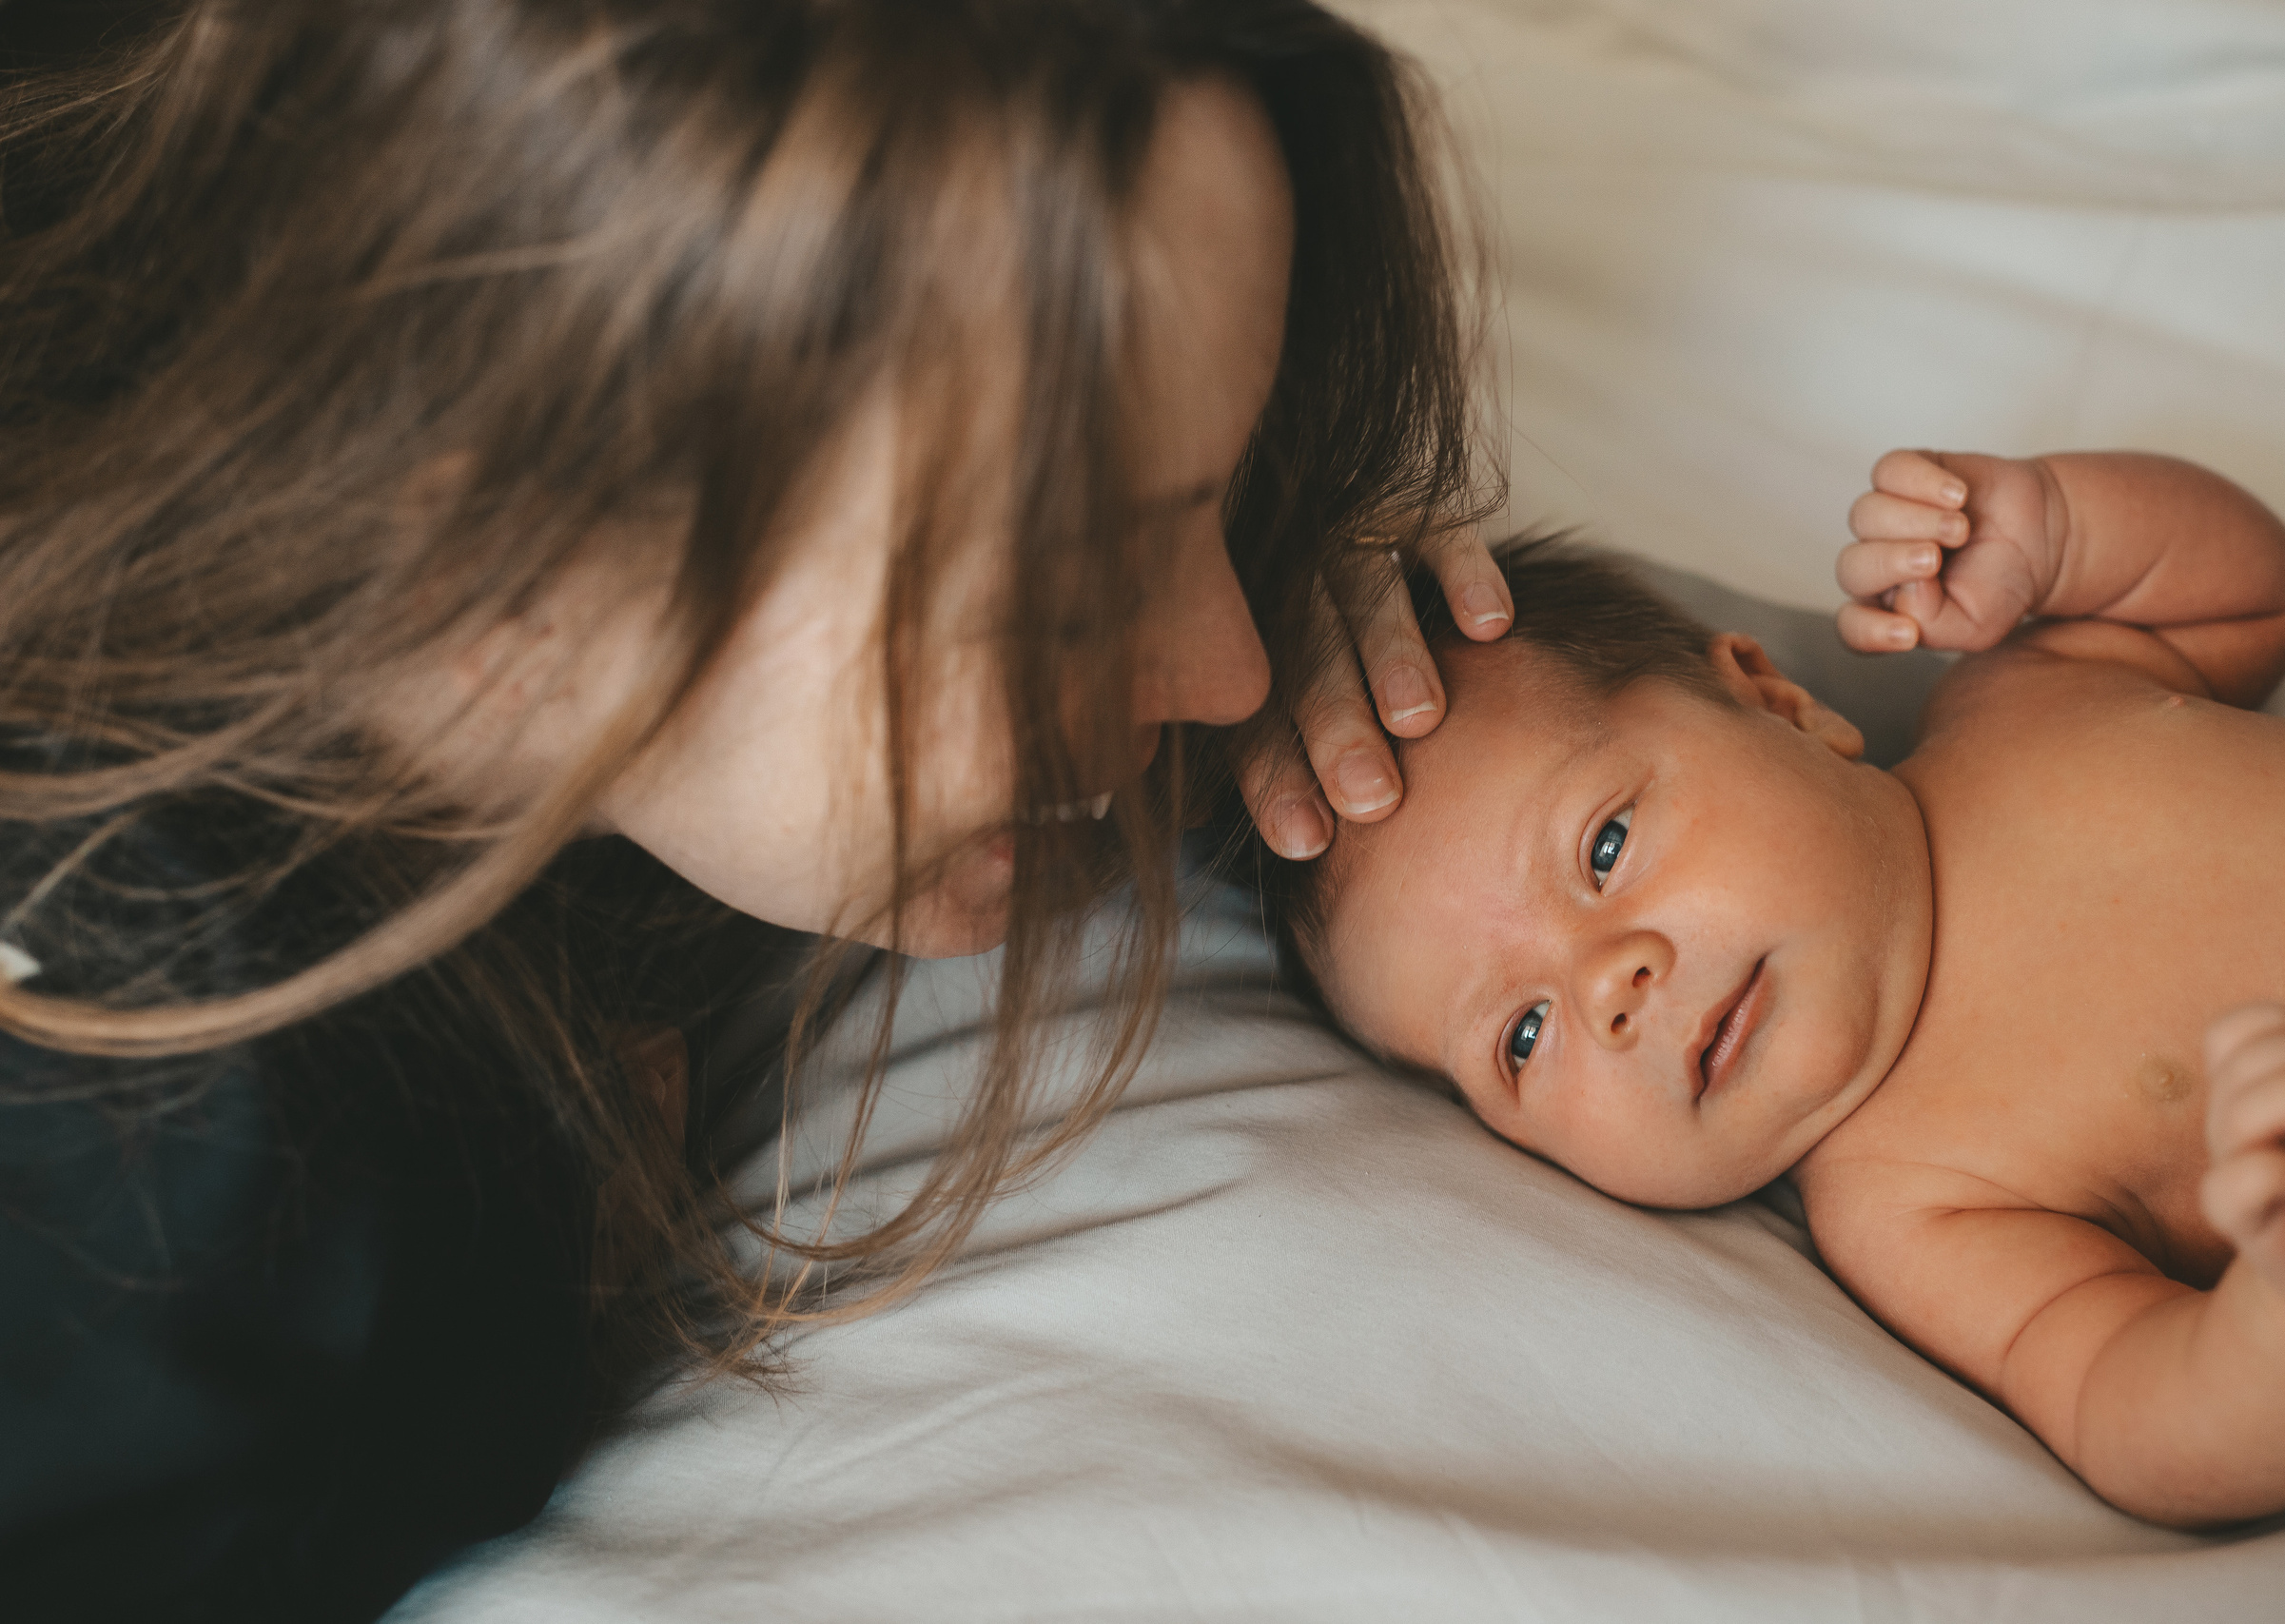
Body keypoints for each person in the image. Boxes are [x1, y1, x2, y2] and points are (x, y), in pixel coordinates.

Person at [0, 2, 1515, 1616]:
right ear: (515, 517)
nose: (1222, 670)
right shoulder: (169, 1201)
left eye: (1219, 495)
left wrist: (1321, 544)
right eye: (1081, 572)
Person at [1265, 450, 2285, 1528]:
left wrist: (2055, 527)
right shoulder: (1915, 1205)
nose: (1608, 991)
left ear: (1777, 702)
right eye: (1521, 1036)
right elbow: (2133, 1412)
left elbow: (2246, 597)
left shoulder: (2022, 700)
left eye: (1605, 849)